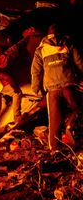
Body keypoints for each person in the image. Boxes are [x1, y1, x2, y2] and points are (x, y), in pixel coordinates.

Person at [31, 23, 83, 151]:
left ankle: (55, 149)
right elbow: (80, 63)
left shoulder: (41, 50)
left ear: (47, 35)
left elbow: (36, 71)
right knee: (78, 112)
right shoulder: (68, 44)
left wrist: (36, 89)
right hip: (69, 86)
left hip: (52, 90)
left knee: (54, 120)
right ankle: (76, 140)